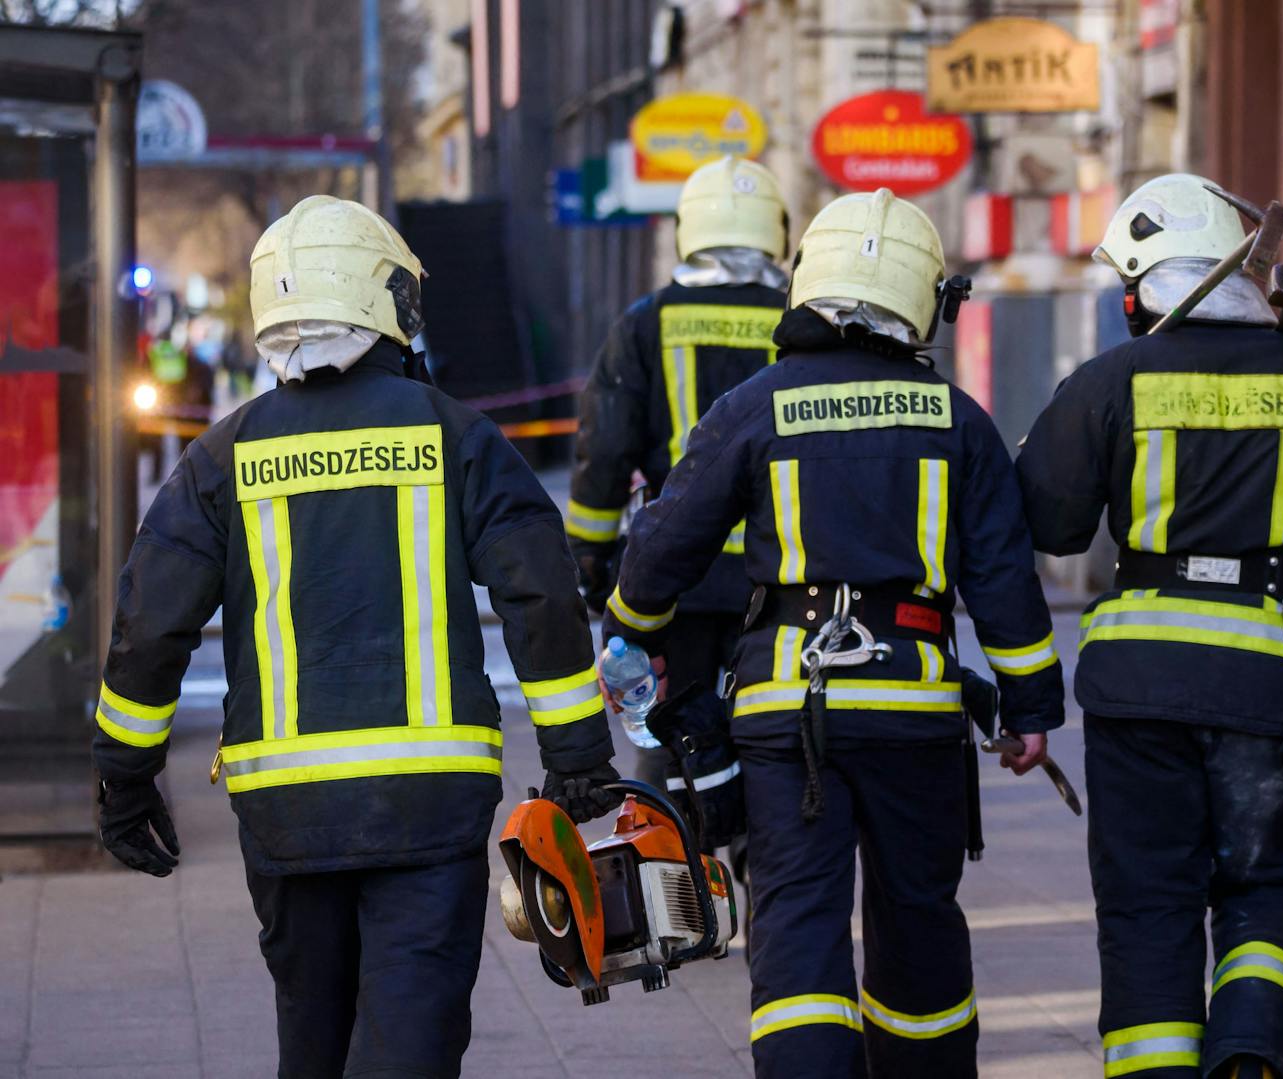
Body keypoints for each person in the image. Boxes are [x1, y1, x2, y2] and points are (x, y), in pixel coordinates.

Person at [91, 195, 619, 1079]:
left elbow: (150, 625)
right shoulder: (459, 435)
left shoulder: (223, 457)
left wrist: (124, 775)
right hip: (430, 803)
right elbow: (541, 592)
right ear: (383, 302)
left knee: (313, 1037)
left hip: (286, 810)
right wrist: (576, 755)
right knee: (410, 1036)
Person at [601, 188, 1065, 1078]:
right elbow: (1004, 582)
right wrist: (1032, 710)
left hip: (786, 717)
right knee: (918, 913)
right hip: (914, 713)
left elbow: (662, 544)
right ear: (922, 297)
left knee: (800, 916)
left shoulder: (756, 404)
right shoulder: (956, 419)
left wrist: (632, 632)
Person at [1016, 174, 1283, 1079]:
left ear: (1140, 289)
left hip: (1139, 685)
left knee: (1148, 897)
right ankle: (1249, 1052)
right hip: (1274, 686)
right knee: (1270, 884)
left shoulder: (1110, 379)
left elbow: (1052, 524)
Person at [567, 156, 789, 778]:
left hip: (675, 578)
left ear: (687, 228)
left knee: (672, 744)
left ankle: (674, 862)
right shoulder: (800, 321)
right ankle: (760, 853)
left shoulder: (645, 323)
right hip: (779, 575)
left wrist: (588, 556)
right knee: (774, 741)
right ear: (776, 228)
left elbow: (605, 449)